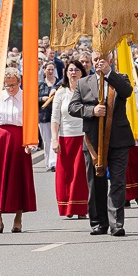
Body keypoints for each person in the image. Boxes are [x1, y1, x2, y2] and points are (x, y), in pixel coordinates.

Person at [69, 50, 134, 236]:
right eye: (96, 60)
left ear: (110, 60)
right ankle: (98, 222)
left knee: (118, 182)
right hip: (93, 141)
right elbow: (72, 107)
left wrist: (109, 73)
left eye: (102, 60)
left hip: (118, 139)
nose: (99, 63)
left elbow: (127, 92)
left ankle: (116, 224)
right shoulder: (83, 82)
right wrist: (92, 110)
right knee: (95, 182)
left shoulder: (120, 78)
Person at [0, 68, 38, 233]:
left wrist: (31, 142)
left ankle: (18, 219)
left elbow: (32, 122)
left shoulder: (26, 98)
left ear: (19, 82)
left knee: (19, 179)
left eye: (14, 85)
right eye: (7, 85)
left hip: (19, 140)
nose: (11, 88)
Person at [50, 60, 89, 218]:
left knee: (81, 175)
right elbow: (55, 117)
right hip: (65, 138)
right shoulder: (61, 92)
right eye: (70, 70)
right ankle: (67, 208)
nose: (73, 73)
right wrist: (54, 138)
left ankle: (81, 209)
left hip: (83, 136)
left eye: (77, 70)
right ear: (66, 73)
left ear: (82, 72)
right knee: (65, 174)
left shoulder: (87, 91)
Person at [38, 62, 59, 171]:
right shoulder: (40, 84)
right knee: (46, 140)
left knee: (55, 139)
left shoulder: (59, 84)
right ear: (44, 70)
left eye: (52, 69)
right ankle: (47, 162)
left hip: (56, 115)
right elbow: (34, 99)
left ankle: (54, 162)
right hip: (43, 116)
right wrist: (42, 99)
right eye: (48, 69)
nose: (50, 72)